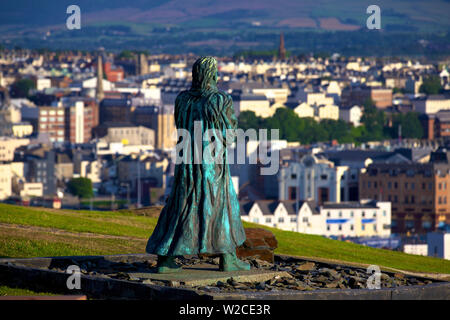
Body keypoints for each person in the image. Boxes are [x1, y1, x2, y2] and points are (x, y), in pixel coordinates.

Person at [146, 56, 250, 273]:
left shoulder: (182, 99)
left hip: (187, 161)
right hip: (212, 162)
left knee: (181, 204)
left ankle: (165, 258)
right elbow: (229, 135)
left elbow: (180, 125)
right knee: (221, 204)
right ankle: (228, 257)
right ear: (213, 75)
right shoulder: (220, 100)